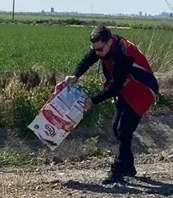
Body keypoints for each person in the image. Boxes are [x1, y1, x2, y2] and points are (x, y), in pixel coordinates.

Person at [64, 25, 159, 185]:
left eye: (100, 49)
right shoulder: (103, 47)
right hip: (126, 88)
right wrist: (75, 75)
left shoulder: (124, 53)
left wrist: (92, 101)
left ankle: (117, 172)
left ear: (109, 42)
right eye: (95, 49)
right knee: (117, 128)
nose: (97, 53)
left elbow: (114, 87)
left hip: (142, 91)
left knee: (124, 129)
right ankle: (128, 166)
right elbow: (89, 59)